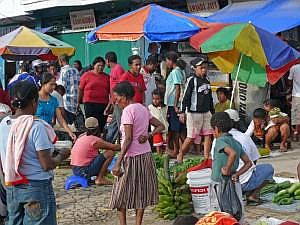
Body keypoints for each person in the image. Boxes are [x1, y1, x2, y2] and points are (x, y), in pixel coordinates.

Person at [0, 80, 70, 225]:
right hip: (36, 188)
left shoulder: (4, 123)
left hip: (12, 186)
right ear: (34, 102)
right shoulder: (36, 126)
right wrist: (62, 155)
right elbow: (46, 164)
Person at [109, 81, 164, 225]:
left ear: (125, 97)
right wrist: (149, 135)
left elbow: (127, 139)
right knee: (141, 192)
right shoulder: (143, 108)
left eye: (117, 98)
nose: (116, 101)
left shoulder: (127, 111)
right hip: (145, 156)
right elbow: (161, 126)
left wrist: (118, 162)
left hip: (130, 157)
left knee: (120, 195)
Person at [225, 109, 274, 205]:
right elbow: (254, 160)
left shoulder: (217, 141)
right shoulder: (244, 137)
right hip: (242, 181)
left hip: (226, 184)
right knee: (269, 168)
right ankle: (252, 194)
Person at [210, 112, 252, 219]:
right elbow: (248, 163)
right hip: (234, 181)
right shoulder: (235, 142)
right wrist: (237, 173)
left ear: (216, 129)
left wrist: (227, 168)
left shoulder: (219, 141)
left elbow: (232, 153)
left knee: (221, 210)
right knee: (235, 206)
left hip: (220, 182)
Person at [177, 57, 214, 163]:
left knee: (208, 134)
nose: (204, 70)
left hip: (206, 112)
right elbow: (185, 97)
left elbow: (210, 97)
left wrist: (212, 111)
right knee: (191, 137)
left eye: (205, 68)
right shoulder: (191, 80)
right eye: (201, 68)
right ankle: (181, 154)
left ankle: (207, 158)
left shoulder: (207, 80)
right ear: (194, 69)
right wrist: (182, 112)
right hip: (193, 113)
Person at [71, 117, 120, 185]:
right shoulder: (95, 140)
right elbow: (114, 147)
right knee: (110, 153)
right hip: (83, 171)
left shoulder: (81, 137)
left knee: (100, 155)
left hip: (75, 169)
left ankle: (98, 176)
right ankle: (100, 178)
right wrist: (126, 143)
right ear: (98, 128)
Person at [36, 72, 76, 140]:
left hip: (48, 133)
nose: (53, 87)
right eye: (51, 84)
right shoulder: (34, 98)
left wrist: (70, 132)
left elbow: (60, 119)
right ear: (43, 84)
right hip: (36, 132)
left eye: (54, 84)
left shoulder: (54, 100)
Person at [78, 57, 110, 132]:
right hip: (90, 104)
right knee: (90, 124)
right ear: (94, 65)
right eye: (99, 65)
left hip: (103, 104)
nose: (101, 67)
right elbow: (80, 89)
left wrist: (109, 105)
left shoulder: (107, 77)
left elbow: (110, 91)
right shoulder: (86, 75)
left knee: (101, 124)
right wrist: (78, 102)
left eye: (102, 66)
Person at [164, 51, 185, 157]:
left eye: (167, 60)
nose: (166, 63)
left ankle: (176, 150)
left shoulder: (175, 72)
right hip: (174, 103)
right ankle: (181, 149)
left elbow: (178, 88)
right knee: (178, 128)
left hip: (173, 104)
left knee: (175, 128)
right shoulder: (179, 71)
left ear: (170, 60)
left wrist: (176, 105)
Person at [104, 51, 125, 143]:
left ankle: (123, 142)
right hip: (115, 102)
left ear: (107, 60)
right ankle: (109, 142)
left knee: (120, 123)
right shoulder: (114, 69)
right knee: (114, 123)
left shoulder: (118, 69)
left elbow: (121, 85)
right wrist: (110, 104)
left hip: (119, 102)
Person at [57, 54, 80, 125]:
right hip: (75, 103)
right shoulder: (75, 70)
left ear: (61, 61)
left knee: (67, 126)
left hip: (66, 103)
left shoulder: (64, 71)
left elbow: (61, 87)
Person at [148, 89, 169, 153]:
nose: (155, 101)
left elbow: (166, 117)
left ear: (161, 99)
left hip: (165, 130)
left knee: (165, 145)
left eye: (157, 99)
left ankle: (164, 157)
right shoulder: (150, 107)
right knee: (158, 145)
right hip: (156, 130)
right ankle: (159, 157)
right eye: (153, 99)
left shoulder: (165, 107)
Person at [288, 62, 300, 141]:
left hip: (297, 94)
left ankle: (296, 132)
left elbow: (289, 81)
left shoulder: (293, 68)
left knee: (296, 114)